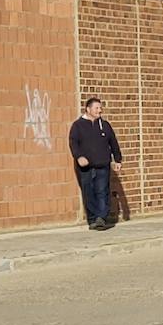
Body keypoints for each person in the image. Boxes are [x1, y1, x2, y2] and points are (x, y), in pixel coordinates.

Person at [68, 97, 123, 230]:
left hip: (103, 165)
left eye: (100, 108)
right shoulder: (78, 126)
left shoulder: (105, 125)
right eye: (97, 108)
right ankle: (92, 219)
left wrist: (117, 159)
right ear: (88, 109)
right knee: (89, 192)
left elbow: (113, 143)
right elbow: (73, 143)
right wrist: (79, 157)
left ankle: (101, 218)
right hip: (85, 167)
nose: (100, 110)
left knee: (102, 191)